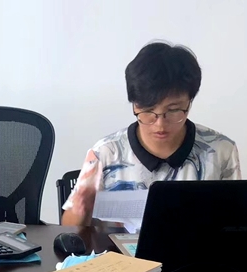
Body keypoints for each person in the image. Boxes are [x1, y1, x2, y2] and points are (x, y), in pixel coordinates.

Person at [61, 41, 241, 227]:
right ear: (134, 104)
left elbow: (236, 222)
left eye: (173, 110)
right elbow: (67, 229)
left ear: (189, 102)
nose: (160, 124)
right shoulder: (107, 152)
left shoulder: (220, 151)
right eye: (148, 111)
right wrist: (82, 210)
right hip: (119, 247)